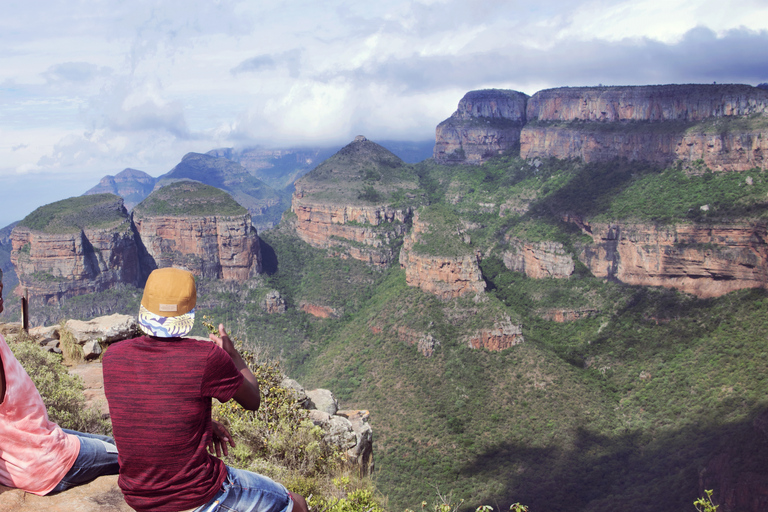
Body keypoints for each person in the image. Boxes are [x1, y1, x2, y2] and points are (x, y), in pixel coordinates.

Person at [103, 267, 309, 512]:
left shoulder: (113, 356)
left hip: (137, 496)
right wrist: (232, 355)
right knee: (296, 502)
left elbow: (149, 402)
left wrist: (201, 424)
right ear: (189, 310)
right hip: (196, 495)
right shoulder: (207, 357)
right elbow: (253, 400)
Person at [0, 267, 120, 495]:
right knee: (132, 453)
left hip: (33, 440)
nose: (1, 291)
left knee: (112, 441)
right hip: (43, 464)